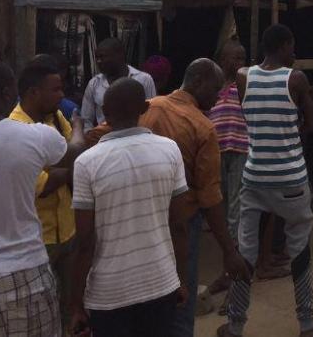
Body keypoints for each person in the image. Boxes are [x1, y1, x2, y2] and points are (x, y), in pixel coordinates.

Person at [86, 59, 251, 337]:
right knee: (179, 305)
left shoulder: (148, 107)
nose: (218, 96)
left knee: (143, 304)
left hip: (140, 218)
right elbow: (210, 199)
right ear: (197, 82)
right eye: (215, 88)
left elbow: (95, 138)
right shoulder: (202, 127)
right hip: (182, 225)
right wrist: (229, 251)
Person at [221, 25, 313, 337]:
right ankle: (306, 323)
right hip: (290, 179)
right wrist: (290, 129)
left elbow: (250, 118)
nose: (294, 53)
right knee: (299, 249)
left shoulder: (243, 76)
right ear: (285, 45)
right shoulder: (295, 78)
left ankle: (235, 326)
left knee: (245, 252)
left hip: (254, 176)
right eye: (293, 46)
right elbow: (311, 124)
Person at [0, 59, 85, 336]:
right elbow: (74, 154)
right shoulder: (35, 136)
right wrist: (79, 128)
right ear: (5, 94)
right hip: (24, 274)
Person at [70, 78, 190, 337]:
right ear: (145, 108)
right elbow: (179, 225)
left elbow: (85, 242)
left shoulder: (86, 163)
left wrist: (77, 304)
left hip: (108, 293)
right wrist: (179, 279)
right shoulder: (170, 151)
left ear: (104, 111)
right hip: (161, 283)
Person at [9, 60, 78, 331]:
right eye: (56, 89)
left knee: (70, 306)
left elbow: (79, 158)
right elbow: (42, 185)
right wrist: (68, 166)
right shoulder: (15, 130)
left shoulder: (56, 118)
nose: (62, 95)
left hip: (68, 230)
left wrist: (67, 165)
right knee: (39, 312)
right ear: (34, 92)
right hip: (40, 239)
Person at [207, 40, 250, 296]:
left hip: (240, 150)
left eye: (242, 58)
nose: (239, 63)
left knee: (236, 212)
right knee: (220, 214)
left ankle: (235, 278)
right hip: (215, 154)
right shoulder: (211, 87)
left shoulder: (246, 84)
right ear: (221, 60)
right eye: (234, 58)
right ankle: (228, 271)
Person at [81, 38, 156, 127]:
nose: (98, 62)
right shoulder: (94, 84)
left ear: (119, 55)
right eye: (97, 58)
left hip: (137, 135)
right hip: (105, 137)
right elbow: (86, 120)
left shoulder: (144, 79)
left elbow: (152, 113)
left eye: (102, 57)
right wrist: (92, 138)